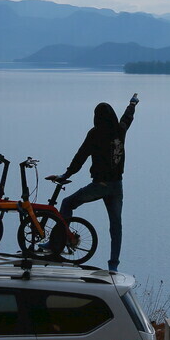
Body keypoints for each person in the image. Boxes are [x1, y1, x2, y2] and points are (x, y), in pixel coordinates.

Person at [56, 94, 139, 272]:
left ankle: (57, 244)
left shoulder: (95, 133)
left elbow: (81, 156)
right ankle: (113, 265)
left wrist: (66, 174)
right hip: (117, 186)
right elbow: (127, 117)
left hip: (100, 186)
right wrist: (132, 104)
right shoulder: (120, 129)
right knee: (116, 226)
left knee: (67, 203)